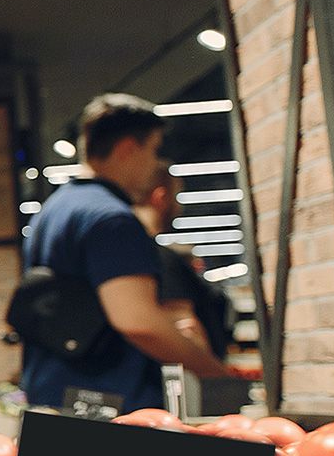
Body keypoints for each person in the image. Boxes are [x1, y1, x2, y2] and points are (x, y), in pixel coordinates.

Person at [21, 94, 230, 413]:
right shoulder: (111, 217)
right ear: (127, 149)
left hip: (59, 398)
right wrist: (213, 371)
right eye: (153, 150)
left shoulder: (53, 210)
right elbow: (137, 321)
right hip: (110, 408)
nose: (154, 163)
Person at [129, 165, 235, 360]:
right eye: (176, 196)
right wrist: (215, 373)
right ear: (160, 196)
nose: (178, 207)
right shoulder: (158, 258)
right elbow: (185, 327)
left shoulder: (134, 255)